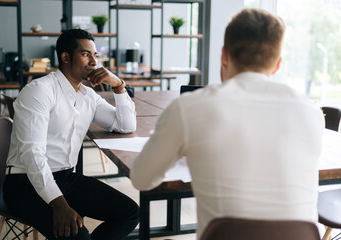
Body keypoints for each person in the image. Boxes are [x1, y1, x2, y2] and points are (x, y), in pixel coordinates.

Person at [130, 8, 325, 239]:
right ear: (277, 64)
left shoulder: (189, 107)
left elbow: (141, 178)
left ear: (224, 55)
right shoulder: (311, 111)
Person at [3, 29, 139, 240]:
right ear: (65, 57)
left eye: (96, 55)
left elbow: (125, 125)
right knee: (78, 236)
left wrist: (119, 86)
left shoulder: (87, 95)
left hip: (65, 177)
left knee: (130, 212)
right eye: (86, 54)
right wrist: (59, 204)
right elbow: (32, 155)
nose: (94, 62)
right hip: (25, 182)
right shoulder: (40, 91)